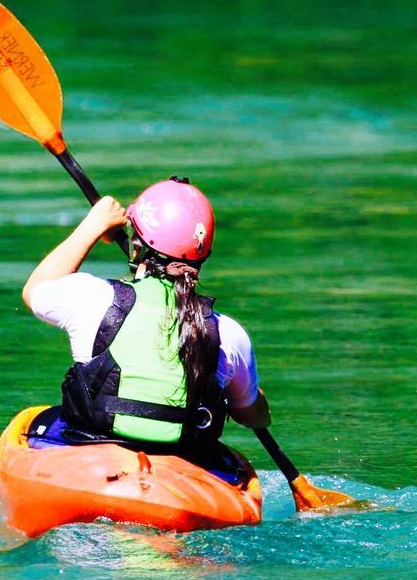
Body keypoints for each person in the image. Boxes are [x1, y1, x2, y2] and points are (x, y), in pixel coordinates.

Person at [21, 177, 270, 478]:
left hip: (92, 461)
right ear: (204, 256)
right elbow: (254, 416)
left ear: (136, 246)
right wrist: (247, 394)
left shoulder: (95, 299)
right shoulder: (228, 334)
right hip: (182, 474)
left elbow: (34, 290)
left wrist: (93, 225)